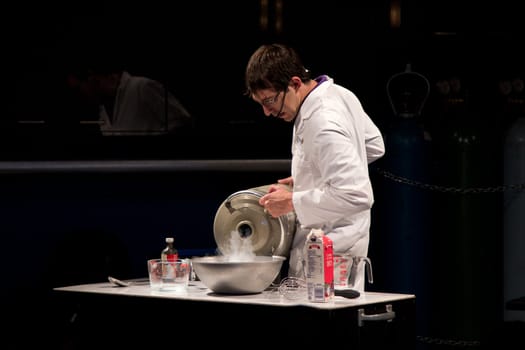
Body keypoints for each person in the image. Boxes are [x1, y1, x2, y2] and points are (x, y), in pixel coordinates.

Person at [244, 43, 385, 292]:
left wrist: (293, 202)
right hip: (333, 247)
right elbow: (373, 146)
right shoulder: (339, 94)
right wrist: (310, 176)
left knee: (325, 326)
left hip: (333, 252)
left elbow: (357, 195)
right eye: (260, 104)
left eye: (269, 101)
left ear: (295, 83)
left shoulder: (322, 121)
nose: (267, 112)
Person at [66, 67, 193, 136]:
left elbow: (182, 123)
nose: (80, 95)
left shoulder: (141, 87)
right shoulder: (103, 110)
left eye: (78, 88)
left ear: (91, 78)